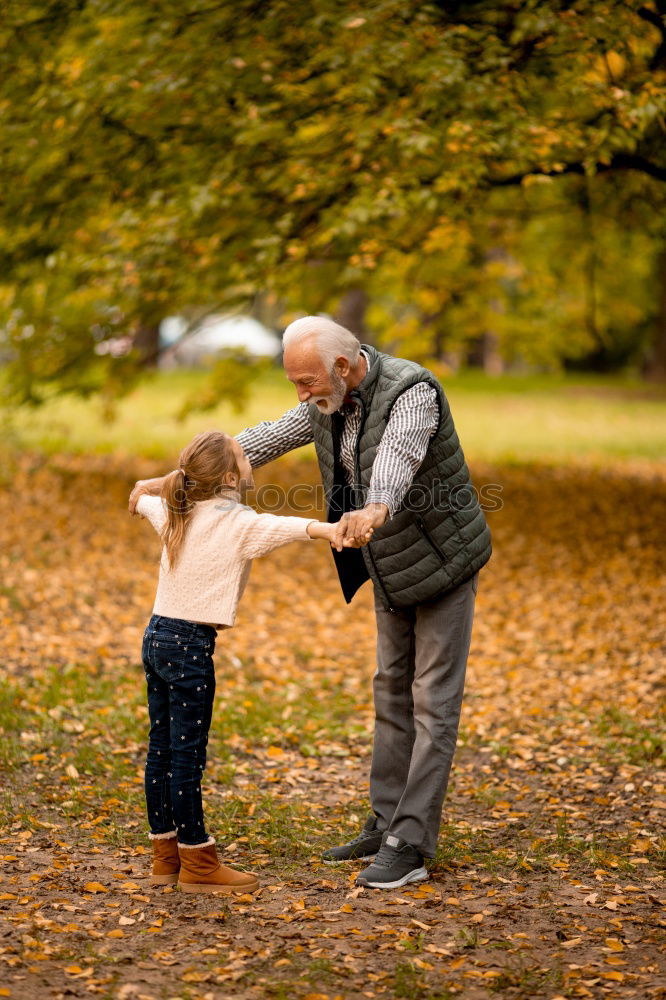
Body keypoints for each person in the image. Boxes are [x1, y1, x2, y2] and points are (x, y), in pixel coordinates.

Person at [130, 317, 492, 891]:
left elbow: (398, 454)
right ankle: (384, 821)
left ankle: (411, 842)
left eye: (306, 382)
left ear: (342, 368)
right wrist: (178, 478)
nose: (301, 394)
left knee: (433, 701)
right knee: (389, 689)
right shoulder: (326, 402)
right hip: (388, 562)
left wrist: (375, 507)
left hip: (442, 557)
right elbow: (260, 440)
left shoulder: (413, 390)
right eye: (296, 383)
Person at [131, 429, 369, 894]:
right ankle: (198, 861)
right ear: (227, 476)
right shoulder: (237, 522)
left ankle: (165, 858)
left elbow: (141, 496)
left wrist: (152, 487)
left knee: (160, 750)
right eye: (244, 456)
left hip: (156, 636)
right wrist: (333, 530)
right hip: (188, 647)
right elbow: (291, 526)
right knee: (186, 759)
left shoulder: (176, 511)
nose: (250, 459)